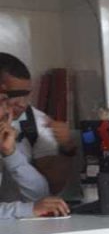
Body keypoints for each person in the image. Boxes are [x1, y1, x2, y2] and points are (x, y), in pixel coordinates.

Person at [0, 53, 74, 213]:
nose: (21, 104)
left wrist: (10, 154)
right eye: (7, 99)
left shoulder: (34, 122)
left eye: (26, 95)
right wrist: (26, 210)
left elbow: (41, 195)